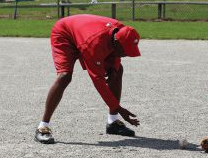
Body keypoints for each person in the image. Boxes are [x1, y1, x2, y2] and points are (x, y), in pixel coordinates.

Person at [35, 14, 141, 144]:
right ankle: (42, 126)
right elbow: (98, 81)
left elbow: (115, 60)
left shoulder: (122, 33)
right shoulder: (93, 44)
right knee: (65, 76)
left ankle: (113, 122)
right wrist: (119, 108)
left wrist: (113, 69)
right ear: (117, 42)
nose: (126, 54)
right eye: (125, 51)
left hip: (88, 35)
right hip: (65, 34)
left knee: (117, 71)